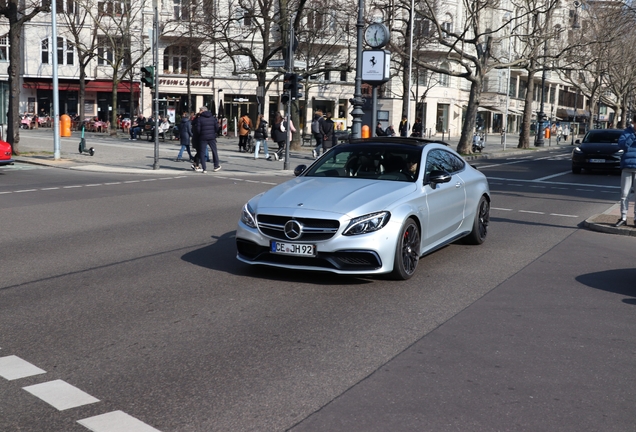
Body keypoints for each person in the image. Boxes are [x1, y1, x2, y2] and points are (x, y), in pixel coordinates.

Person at [614, 114, 636, 227]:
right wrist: (632, 136)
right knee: (624, 194)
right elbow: (622, 145)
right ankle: (623, 217)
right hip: (627, 165)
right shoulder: (627, 132)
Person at [192, 106, 221, 173]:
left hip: (203, 137)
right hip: (212, 137)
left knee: (202, 152)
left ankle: (204, 168)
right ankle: (216, 166)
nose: (199, 112)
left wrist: (201, 134)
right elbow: (217, 128)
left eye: (200, 110)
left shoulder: (200, 119)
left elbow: (198, 129)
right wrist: (213, 133)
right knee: (214, 151)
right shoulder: (213, 118)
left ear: (203, 111)